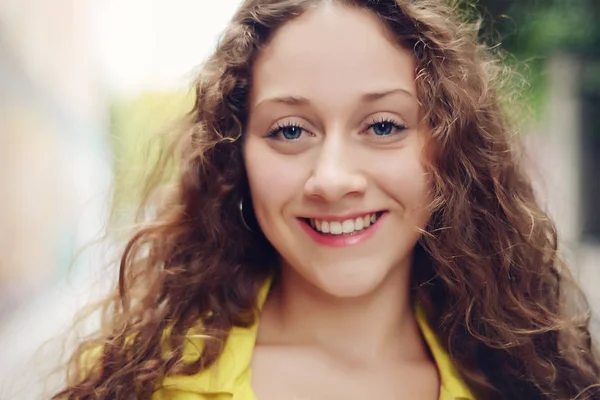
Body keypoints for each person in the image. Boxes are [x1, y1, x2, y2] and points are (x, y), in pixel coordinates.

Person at [52, 0, 600, 399]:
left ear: (450, 149)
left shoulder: (535, 381)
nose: (333, 179)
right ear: (235, 160)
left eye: (383, 125)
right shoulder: (139, 385)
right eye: (290, 131)